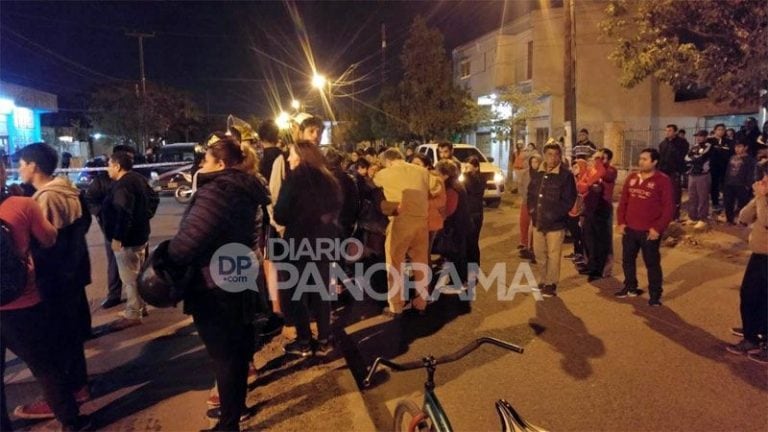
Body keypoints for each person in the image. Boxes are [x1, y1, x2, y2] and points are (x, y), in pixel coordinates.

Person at [166, 134, 267, 431]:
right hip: (240, 274)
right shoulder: (248, 189)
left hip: (215, 284)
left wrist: (167, 258)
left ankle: (228, 424)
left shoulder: (218, 192)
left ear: (221, 163)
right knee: (237, 353)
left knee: (224, 356)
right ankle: (234, 413)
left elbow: (188, 242)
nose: (201, 165)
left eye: (206, 160)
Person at [0, 160, 91, 431]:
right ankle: (72, 422)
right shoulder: (22, 205)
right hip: (23, 304)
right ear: (2, 172)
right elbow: (49, 239)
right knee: (47, 368)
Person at [274, 140, 341, 357]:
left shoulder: (294, 179)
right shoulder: (328, 179)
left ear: (301, 156)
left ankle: (304, 341)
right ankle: (324, 340)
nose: (288, 158)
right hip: (323, 242)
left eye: (292, 154)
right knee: (321, 292)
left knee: (297, 293)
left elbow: (280, 215)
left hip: (298, 243)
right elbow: (337, 208)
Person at [102, 150, 156, 329]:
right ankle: (141, 306)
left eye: (109, 164)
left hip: (128, 240)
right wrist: (145, 216)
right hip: (141, 235)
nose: (108, 168)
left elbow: (123, 213)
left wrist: (118, 237)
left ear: (117, 166)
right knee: (139, 273)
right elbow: (154, 197)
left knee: (130, 277)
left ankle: (133, 313)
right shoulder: (138, 179)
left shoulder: (122, 185)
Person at [374, 148, 430, 316]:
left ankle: (396, 305)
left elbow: (373, 183)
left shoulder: (385, 173)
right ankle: (421, 302)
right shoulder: (422, 171)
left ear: (388, 161)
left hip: (401, 221)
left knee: (394, 263)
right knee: (421, 263)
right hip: (421, 221)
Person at [615, 148, 674, 306]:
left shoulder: (663, 180)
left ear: (654, 162)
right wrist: (621, 222)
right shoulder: (632, 177)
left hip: (649, 231)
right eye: (640, 158)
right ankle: (630, 287)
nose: (640, 162)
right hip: (630, 229)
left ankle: (655, 295)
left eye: (645, 159)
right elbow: (623, 203)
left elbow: (668, 208)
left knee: (652, 264)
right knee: (627, 260)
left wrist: (658, 228)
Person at [725, 166, 768, 362]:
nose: (763, 182)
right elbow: (743, 217)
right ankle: (752, 331)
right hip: (759, 255)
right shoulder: (763, 197)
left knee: (762, 298)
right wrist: (757, 198)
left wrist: (760, 198)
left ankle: (759, 340)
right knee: (750, 294)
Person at [526, 142, 577, 297]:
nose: (552, 158)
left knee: (553, 255)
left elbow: (568, 200)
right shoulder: (538, 173)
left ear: (560, 156)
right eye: (549, 154)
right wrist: (532, 210)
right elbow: (530, 194)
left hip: (555, 224)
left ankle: (551, 283)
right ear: (544, 155)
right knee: (539, 253)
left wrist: (554, 214)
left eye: (556, 155)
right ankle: (543, 279)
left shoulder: (565, 175)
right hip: (538, 221)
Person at [86, 153, 123, 309]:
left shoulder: (132, 180)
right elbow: (89, 201)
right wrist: (102, 214)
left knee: (136, 264)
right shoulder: (100, 181)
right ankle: (114, 295)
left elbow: (151, 198)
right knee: (114, 262)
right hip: (112, 231)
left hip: (133, 231)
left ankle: (139, 297)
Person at [577, 150, 617, 281]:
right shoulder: (594, 169)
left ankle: (601, 269)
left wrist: (598, 162)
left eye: (602, 158)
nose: (598, 160)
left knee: (602, 241)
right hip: (590, 207)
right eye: (598, 158)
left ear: (609, 160)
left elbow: (602, 175)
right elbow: (581, 185)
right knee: (589, 238)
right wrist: (588, 184)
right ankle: (591, 265)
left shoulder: (610, 170)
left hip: (603, 208)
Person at [434, 159, 471, 294]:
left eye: (438, 172)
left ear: (445, 174)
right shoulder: (455, 185)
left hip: (456, 227)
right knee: (458, 254)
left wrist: (437, 210)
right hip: (460, 226)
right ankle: (459, 281)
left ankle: (459, 283)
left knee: (457, 255)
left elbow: (449, 210)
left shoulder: (452, 188)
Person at [411, 153, 446, 260]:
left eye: (418, 164)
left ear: (427, 166)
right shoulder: (411, 179)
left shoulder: (435, 180)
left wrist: (422, 204)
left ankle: (425, 276)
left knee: (423, 254)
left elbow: (441, 201)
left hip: (429, 221)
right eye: (412, 164)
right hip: (415, 222)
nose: (414, 166)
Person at [658, 124, 689, 221]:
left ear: (675, 132)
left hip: (674, 172)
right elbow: (661, 157)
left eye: (670, 130)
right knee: (663, 194)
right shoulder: (663, 143)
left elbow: (680, 157)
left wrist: (678, 170)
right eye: (666, 130)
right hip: (663, 172)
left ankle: (675, 216)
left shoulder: (682, 143)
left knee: (674, 194)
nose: (667, 132)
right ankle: (663, 213)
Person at [722, 139, 756, 225]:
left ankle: (743, 222)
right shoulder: (732, 157)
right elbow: (727, 170)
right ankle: (729, 220)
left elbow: (751, 173)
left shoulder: (750, 160)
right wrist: (725, 182)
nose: (737, 149)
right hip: (729, 184)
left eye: (740, 146)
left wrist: (748, 186)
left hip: (742, 185)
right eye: (736, 147)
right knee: (728, 203)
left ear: (746, 147)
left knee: (743, 205)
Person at [684, 130, 712, 229]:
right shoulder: (694, 146)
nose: (698, 138)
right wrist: (694, 159)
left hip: (703, 175)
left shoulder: (708, 146)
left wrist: (693, 159)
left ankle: (703, 219)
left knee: (702, 197)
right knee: (692, 197)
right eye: (697, 136)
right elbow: (686, 158)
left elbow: (702, 158)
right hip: (692, 174)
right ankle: (692, 217)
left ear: (705, 136)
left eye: (701, 136)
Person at [518, 153, 542, 262]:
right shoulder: (526, 173)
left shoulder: (542, 174)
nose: (534, 164)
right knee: (524, 223)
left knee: (534, 227)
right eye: (532, 162)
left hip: (537, 204)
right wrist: (524, 196)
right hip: (526, 201)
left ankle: (533, 249)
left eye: (536, 162)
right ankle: (525, 244)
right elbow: (521, 186)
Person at [464, 156, 486, 272]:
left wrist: (467, 175)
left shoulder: (480, 179)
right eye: (465, 166)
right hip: (467, 213)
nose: (466, 169)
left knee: (473, 242)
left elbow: (472, 190)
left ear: (476, 167)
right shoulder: (465, 178)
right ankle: (469, 266)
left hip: (475, 214)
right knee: (467, 242)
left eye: (468, 166)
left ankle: (474, 268)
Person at [708, 123, 733, 213]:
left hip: (725, 167)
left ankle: (727, 203)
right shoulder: (710, 141)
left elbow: (730, 153)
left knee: (725, 185)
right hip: (713, 167)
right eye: (719, 129)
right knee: (714, 185)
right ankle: (715, 203)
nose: (721, 131)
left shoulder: (728, 141)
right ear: (715, 130)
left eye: (722, 129)